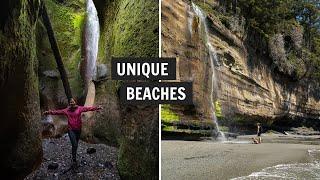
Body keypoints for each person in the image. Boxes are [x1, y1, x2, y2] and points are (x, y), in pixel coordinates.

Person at [43, 98, 102, 165]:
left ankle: (74, 155)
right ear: (69, 103)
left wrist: (96, 108)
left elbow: (88, 108)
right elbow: (58, 112)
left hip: (78, 129)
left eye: (73, 102)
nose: (72, 103)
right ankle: (74, 159)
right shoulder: (67, 110)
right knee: (74, 144)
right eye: (70, 102)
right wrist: (49, 112)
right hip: (71, 130)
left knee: (75, 145)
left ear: (75, 102)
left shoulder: (80, 108)